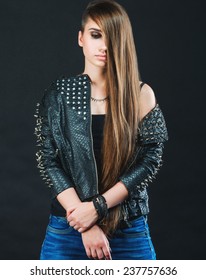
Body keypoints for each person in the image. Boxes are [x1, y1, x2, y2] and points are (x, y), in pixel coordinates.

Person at [34, 0, 168, 260]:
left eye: (112, 37)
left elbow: (149, 162)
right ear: (81, 38)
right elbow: (49, 161)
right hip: (68, 230)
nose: (104, 46)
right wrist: (85, 222)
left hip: (128, 229)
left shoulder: (141, 94)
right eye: (96, 35)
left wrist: (98, 207)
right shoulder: (59, 94)